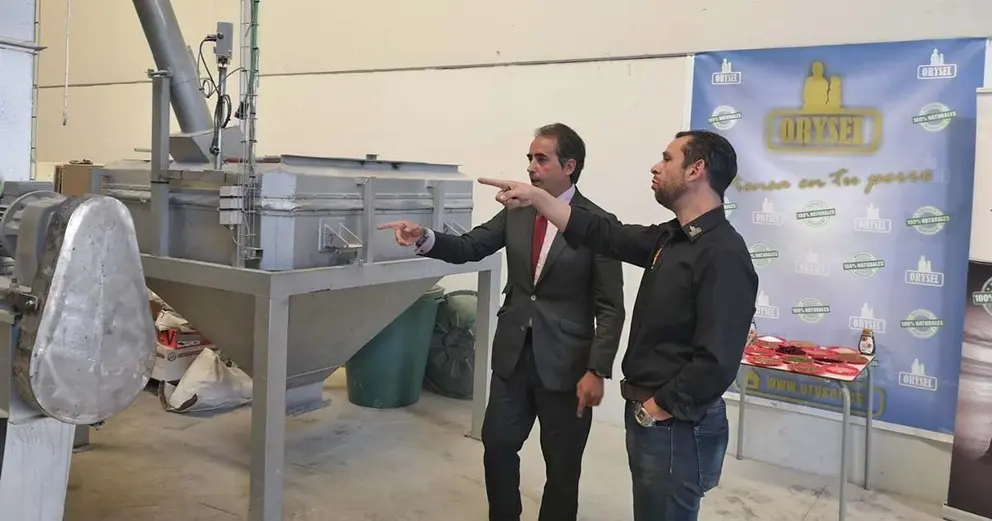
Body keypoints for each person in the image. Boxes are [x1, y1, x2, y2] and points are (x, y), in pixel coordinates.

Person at [477, 129, 758, 521]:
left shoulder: (723, 253)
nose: (655, 167)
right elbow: (604, 234)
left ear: (696, 170)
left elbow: (718, 359)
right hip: (651, 414)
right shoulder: (672, 238)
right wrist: (539, 198)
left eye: (667, 159)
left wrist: (658, 407)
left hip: (674, 424)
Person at [378, 123, 626, 521]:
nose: (531, 167)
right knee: (497, 446)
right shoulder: (518, 212)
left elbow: (610, 307)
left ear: (569, 166)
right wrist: (424, 237)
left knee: (563, 466)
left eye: (541, 159)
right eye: (530, 158)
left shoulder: (597, 224)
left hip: (567, 365)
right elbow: (470, 246)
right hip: (514, 356)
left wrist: (597, 369)